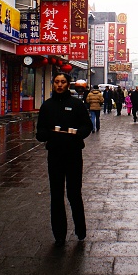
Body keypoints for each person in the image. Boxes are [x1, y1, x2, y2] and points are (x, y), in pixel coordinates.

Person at [36, 73, 93, 246]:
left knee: (74, 193)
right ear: (53, 84)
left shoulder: (76, 105)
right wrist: (46, 134)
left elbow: (87, 126)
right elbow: (40, 131)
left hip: (74, 154)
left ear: (68, 84)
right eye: (56, 82)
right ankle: (59, 233)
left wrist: (78, 134)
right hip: (54, 155)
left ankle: (80, 230)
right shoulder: (47, 106)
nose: (59, 85)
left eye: (63, 82)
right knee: (56, 194)